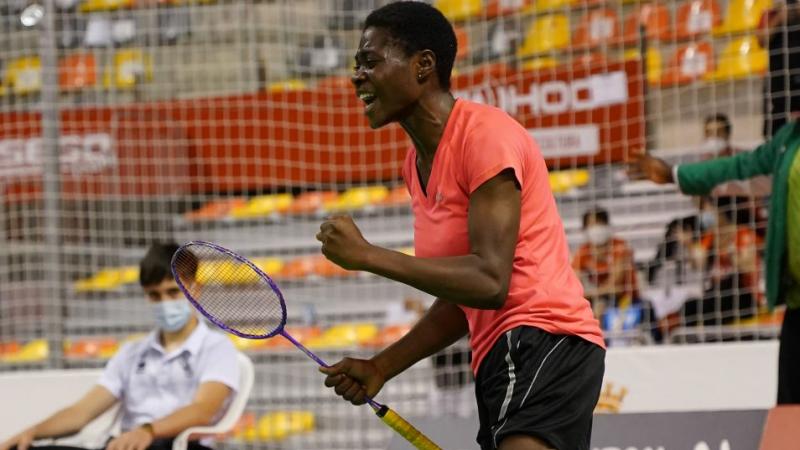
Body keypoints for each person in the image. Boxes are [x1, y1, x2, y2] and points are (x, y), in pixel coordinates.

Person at [314, 3, 605, 449]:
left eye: (370, 62)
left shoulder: (485, 136)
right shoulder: (415, 165)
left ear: (423, 65)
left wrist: (369, 256)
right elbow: (461, 302)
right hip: (497, 355)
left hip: (542, 339)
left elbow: (490, 281)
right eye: (356, 66)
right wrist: (382, 367)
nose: (357, 76)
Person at [630, 109, 800, 402]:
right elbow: (741, 168)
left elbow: (750, 270)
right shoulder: (789, 139)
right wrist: (674, 174)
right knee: (788, 411)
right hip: (796, 304)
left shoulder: (743, 235)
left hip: (749, 297)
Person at [0, 243, 240, 450]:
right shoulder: (131, 353)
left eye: (173, 292)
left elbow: (203, 410)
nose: (165, 302)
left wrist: (148, 431)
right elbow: (81, 413)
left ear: (195, 289)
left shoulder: (217, 348)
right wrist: (32, 432)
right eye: (155, 295)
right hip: (129, 443)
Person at [681, 196, 761, 328]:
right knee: (689, 307)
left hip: (744, 295)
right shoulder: (711, 236)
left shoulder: (742, 233)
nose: (704, 215)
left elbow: (748, 266)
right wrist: (689, 245)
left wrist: (728, 251)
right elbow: (698, 262)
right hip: (717, 296)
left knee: (713, 303)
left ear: (720, 210)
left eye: (706, 210)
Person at [571, 208, 638, 316]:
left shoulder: (619, 247)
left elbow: (615, 285)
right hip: (597, 299)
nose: (596, 229)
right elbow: (575, 284)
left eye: (599, 223)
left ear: (607, 225)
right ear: (585, 229)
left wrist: (589, 293)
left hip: (626, 299)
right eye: (591, 225)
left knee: (600, 307)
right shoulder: (583, 251)